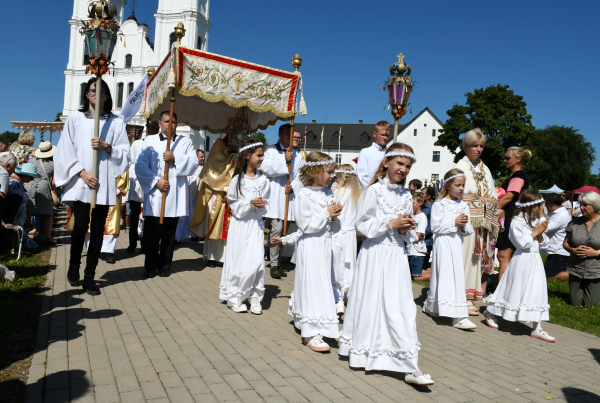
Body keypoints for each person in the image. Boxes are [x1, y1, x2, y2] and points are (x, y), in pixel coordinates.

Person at [340, 144, 433, 385]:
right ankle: (365, 352)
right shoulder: (373, 191)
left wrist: (405, 228)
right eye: (400, 164)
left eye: (408, 166)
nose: (403, 169)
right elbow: (362, 225)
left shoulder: (405, 195)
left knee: (399, 306)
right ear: (386, 163)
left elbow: (402, 230)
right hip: (375, 254)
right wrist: (391, 223)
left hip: (395, 256)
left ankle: (407, 362)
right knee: (372, 302)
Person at [55, 77, 130, 296]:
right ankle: (73, 264)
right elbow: (65, 149)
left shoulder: (116, 122)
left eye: (101, 91)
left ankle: (90, 277)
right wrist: (82, 173)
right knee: (80, 227)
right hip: (82, 181)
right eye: (92, 90)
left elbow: (125, 154)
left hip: (103, 182)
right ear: (87, 94)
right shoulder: (75, 118)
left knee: (98, 230)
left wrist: (107, 146)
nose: (96, 94)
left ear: (107, 96)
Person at [288, 152, 342, 352]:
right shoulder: (304, 194)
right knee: (311, 284)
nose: (332, 176)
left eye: (333, 172)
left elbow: (335, 228)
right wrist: (326, 214)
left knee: (322, 284)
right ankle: (310, 332)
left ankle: (320, 324)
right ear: (314, 171)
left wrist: (335, 217)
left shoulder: (329, 194)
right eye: (329, 172)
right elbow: (305, 225)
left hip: (325, 244)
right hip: (310, 244)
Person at [484, 190, 554, 342]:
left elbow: (545, 244)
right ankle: (492, 312)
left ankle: (537, 327)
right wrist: (535, 233)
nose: (540, 209)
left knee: (536, 290)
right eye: (537, 206)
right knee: (513, 289)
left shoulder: (535, 221)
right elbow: (520, 243)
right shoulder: (517, 221)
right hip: (521, 259)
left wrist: (540, 233)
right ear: (529, 206)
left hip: (535, 260)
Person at [135, 111, 199, 278]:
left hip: (175, 196)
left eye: (173, 122)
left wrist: (175, 158)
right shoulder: (149, 141)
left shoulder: (185, 142)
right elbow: (141, 166)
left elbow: (193, 163)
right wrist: (156, 181)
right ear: (160, 123)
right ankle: (149, 267)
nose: (170, 125)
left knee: (169, 235)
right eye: (166, 121)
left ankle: (164, 265)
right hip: (156, 195)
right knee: (152, 234)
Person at [219, 140, 269, 314]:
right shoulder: (237, 180)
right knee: (238, 261)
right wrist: (250, 203)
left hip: (255, 224)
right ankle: (235, 297)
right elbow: (234, 204)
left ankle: (255, 297)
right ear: (248, 156)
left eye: (263, 155)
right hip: (240, 225)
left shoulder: (263, 180)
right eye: (259, 155)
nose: (262, 158)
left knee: (257, 261)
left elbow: (266, 205)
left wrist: (261, 204)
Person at [423, 169, 477, 330]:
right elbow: (436, 228)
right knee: (445, 275)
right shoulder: (440, 204)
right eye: (458, 185)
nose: (461, 188)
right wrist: (454, 222)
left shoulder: (464, 205)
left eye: (463, 185)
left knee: (455, 275)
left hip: (456, 244)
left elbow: (468, 229)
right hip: (443, 244)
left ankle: (438, 308)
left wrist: (463, 226)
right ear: (447, 185)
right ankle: (456, 315)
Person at [453, 128, 499, 310]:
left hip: (483, 221)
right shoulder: (459, 167)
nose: (478, 149)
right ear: (466, 147)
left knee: (476, 259)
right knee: (465, 257)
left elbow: (492, 192)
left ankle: (471, 295)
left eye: (481, 146)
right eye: (474, 146)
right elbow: (456, 192)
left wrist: (490, 205)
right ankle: (461, 295)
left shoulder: (484, 168)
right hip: (467, 219)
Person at [261, 123, 303, 279]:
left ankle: (280, 260)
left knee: (285, 232)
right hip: (274, 197)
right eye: (287, 133)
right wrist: (284, 160)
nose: (291, 137)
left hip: (288, 197)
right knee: (276, 230)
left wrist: (293, 186)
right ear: (279, 134)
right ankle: (274, 265)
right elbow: (265, 168)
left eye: (292, 134)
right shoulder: (270, 150)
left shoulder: (298, 155)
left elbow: (301, 177)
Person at [497, 147, 532, 280]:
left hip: (510, 217)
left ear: (518, 159)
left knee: (503, 255)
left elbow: (508, 197)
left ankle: (502, 293)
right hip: (510, 217)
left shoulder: (519, 175)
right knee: (504, 256)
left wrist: (491, 211)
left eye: (508, 158)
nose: (505, 160)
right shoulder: (514, 175)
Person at [331, 164, 361, 312]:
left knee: (338, 264)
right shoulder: (357, 193)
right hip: (351, 234)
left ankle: (338, 299)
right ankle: (349, 294)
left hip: (338, 231)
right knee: (350, 265)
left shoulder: (337, 191)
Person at [127, 119, 159, 253]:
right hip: (137, 185)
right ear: (147, 128)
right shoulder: (137, 143)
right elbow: (132, 162)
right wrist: (134, 178)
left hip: (151, 185)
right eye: (152, 127)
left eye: (156, 128)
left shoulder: (159, 144)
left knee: (149, 217)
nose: (154, 130)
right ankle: (132, 243)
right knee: (134, 217)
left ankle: (146, 244)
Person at [563, 192, 600, 307]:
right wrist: (573, 250)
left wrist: (596, 253)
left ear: (594, 206)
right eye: (581, 204)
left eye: (585, 205)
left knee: (591, 304)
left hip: (596, 271)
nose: (581, 207)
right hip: (576, 269)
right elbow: (565, 243)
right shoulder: (574, 223)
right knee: (575, 303)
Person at [24, 142, 57, 245]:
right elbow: (54, 182)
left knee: (28, 212)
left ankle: (27, 234)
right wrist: (55, 191)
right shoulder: (52, 163)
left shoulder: (31, 160)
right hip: (43, 186)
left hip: (29, 184)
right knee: (48, 213)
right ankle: (48, 237)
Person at [8, 163, 40, 250]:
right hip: (15, 216)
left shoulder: (19, 182)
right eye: (31, 177)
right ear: (24, 175)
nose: (32, 179)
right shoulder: (14, 183)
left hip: (19, 215)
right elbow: (9, 202)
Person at [542, 193, 571, 281]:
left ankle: (577, 275)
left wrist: (541, 215)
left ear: (552, 204)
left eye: (546, 204)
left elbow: (546, 228)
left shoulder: (560, 215)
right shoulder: (558, 213)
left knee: (549, 276)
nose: (545, 206)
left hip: (558, 251)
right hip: (557, 250)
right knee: (547, 274)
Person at [356, 121, 390, 189]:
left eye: (387, 135)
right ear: (375, 134)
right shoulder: (365, 152)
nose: (385, 138)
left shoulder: (390, 153)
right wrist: (373, 190)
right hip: (371, 190)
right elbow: (361, 176)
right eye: (382, 134)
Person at [408, 193, 429, 281]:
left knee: (416, 277)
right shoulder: (411, 215)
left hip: (417, 251)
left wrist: (408, 235)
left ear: (420, 203)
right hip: (409, 249)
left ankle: (436, 274)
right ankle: (431, 271)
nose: (411, 205)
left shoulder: (422, 217)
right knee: (412, 274)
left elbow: (418, 235)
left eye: (413, 203)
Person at [420, 186, 435, 275]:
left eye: (422, 194)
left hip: (426, 241)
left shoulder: (432, 209)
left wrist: (421, 233)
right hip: (419, 239)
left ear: (428, 196)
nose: (420, 195)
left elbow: (431, 227)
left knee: (423, 266)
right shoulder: (422, 207)